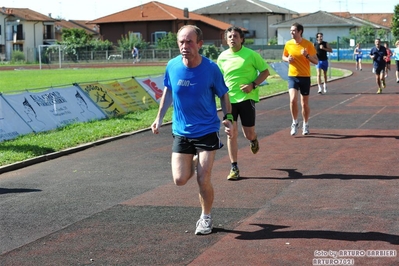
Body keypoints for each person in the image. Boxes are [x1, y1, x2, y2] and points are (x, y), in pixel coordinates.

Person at [151, 25, 234, 235]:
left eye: (189, 42)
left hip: (206, 130)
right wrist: (159, 118)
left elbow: (224, 94)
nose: (184, 46)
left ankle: (205, 217)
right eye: (181, 42)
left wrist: (229, 118)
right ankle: (196, 160)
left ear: (199, 44)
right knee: (179, 180)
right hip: (181, 131)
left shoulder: (211, 69)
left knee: (202, 178)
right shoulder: (172, 66)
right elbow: (168, 92)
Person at [217, 26, 269, 181]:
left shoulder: (251, 55)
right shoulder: (222, 58)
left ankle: (253, 140)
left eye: (235, 36)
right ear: (226, 40)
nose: (232, 38)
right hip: (228, 101)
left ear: (241, 39)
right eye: (230, 36)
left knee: (248, 133)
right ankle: (234, 167)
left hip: (247, 99)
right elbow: (219, 78)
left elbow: (265, 72)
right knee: (231, 132)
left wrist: (253, 85)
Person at [282, 22, 318, 136]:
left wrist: (307, 55)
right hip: (292, 76)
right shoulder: (288, 44)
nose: (291, 33)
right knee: (292, 100)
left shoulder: (308, 44)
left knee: (304, 103)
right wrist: (287, 59)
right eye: (290, 31)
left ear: (300, 32)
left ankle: (305, 124)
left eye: (293, 31)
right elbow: (283, 56)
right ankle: (294, 122)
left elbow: (316, 61)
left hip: (305, 76)